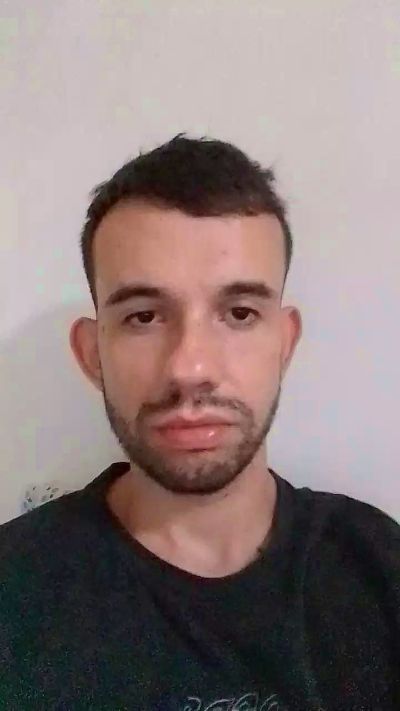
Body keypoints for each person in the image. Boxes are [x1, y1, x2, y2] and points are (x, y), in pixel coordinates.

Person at [0, 135, 399, 711]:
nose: (190, 368)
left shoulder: (379, 566)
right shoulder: (15, 592)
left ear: (285, 343)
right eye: (143, 317)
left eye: (239, 313)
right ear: (91, 354)